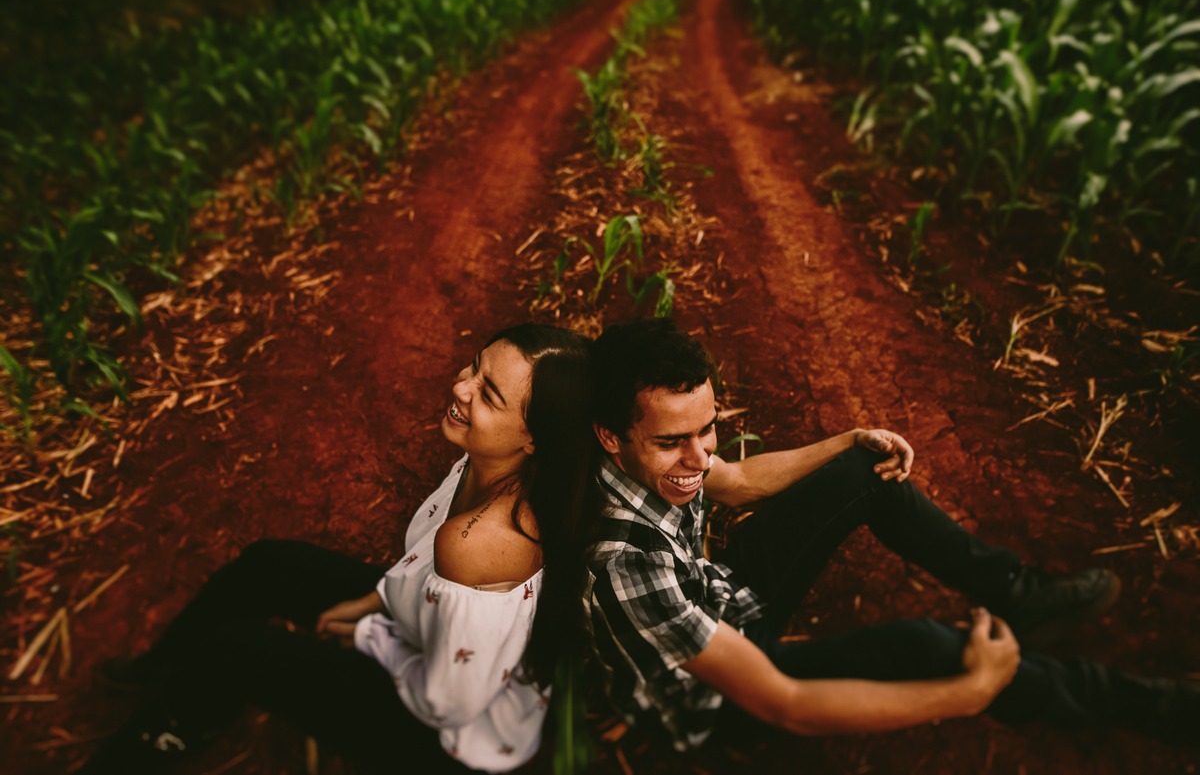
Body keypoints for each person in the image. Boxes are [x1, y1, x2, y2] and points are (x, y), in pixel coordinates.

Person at [584, 316, 1197, 753]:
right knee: (928, 649)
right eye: (672, 443)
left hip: (718, 599)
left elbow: (739, 479)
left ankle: (1016, 590)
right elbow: (784, 703)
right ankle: (1152, 707)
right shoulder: (623, 562)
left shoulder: (651, 460)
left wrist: (848, 442)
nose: (698, 458)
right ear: (611, 436)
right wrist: (970, 691)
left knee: (865, 472)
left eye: (708, 429)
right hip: (719, 698)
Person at [82, 324, 602, 774]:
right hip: (424, 638)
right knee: (267, 565)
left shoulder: (485, 539)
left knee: (232, 651)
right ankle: (173, 671)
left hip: (438, 742)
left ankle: (160, 735)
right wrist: (375, 600)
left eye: (489, 395)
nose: (461, 387)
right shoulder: (489, 462)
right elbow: (418, 570)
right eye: (473, 367)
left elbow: (449, 704)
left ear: (535, 439)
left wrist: (370, 634)